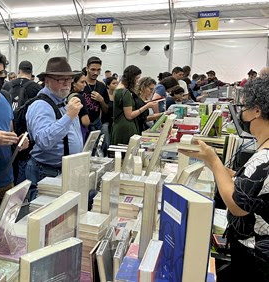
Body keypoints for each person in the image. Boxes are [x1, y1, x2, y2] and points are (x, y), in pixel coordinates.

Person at [179, 77, 269, 280]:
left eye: (244, 107)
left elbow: (238, 203)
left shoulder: (265, 155)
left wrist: (214, 161)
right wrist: (212, 164)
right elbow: (249, 183)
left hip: (256, 254)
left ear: (257, 111)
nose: (241, 114)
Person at [26, 57, 83, 200]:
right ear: (47, 80)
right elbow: (44, 141)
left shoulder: (64, 103)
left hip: (62, 171)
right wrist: (68, 116)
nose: (67, 84)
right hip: (45, 172)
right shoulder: (40, 106)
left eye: (69, 80)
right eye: (60, 80)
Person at [0, 47, 29, 211]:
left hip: (7, 176)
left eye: (3, 73)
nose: (2, 78)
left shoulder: (5, 97)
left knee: (5, 230)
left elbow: (10, 131)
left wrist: (18, 141)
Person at [111, 65, 157, 145]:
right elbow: (129, 115)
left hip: (121, 126)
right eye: (136, 79)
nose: (137, 81)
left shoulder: (119, 90)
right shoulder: (125, 93)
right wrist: (146, 106)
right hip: (126, 128)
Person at [81, 56, 110, 132]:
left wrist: (101, 100)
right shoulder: (80, 85)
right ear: (87, 68)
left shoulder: (101, 86)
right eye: (93, 69)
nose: (96, 73)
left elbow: (106, 110)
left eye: (98, 70)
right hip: (81, 124)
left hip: (97, 123)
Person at [68, 71, 91, 140]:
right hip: (79, 131)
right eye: (82, 82)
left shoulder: (66, 96)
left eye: (85, 82)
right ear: (74, 83)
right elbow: (85, 121)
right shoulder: (79, 98)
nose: (85, 85)